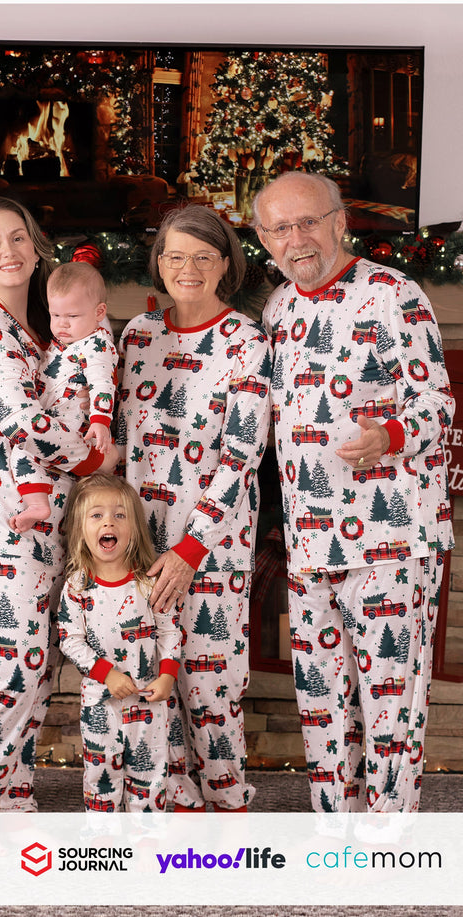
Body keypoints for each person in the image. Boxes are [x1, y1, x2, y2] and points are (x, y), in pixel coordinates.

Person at [253, 170, 454, 812]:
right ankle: (331, 831)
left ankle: (389, 838)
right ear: (263, 239)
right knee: (321, 701)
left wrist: (390, 436)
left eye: (309, 221)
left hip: (392, 539)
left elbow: (439, 406)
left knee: (391, 699)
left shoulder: (397, 294)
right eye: (281, 228)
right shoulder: (277, 308)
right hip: (311, 543)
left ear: (341, 221)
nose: (297, 239)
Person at [0, 197, 112, 812]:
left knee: (32, 665)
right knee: (17, 664)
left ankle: (11, 796)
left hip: (25, 524)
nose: (8, 251)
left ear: (36, 247)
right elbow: (26, 424)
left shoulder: (34, 332)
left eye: (18, 238)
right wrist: (98, 462)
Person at [116, 204, 272, 811]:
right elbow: (121, 442)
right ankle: (172, 805)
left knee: (211, 682)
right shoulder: (138, 335)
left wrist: (191, 548)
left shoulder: (246, 342)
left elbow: (241, 456)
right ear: (158, 262)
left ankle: (227, 806)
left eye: (204, 256)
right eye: (175, 255)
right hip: (138, 543)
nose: (188, 268)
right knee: (154, 677)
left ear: (226, 264)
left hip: (210, 547)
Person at [57, 475, 182, 811]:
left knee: (150, 773)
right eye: (96, 515)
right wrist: (107, 674)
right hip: (101, 702)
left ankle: (146, 844)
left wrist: (168, 675)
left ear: (133, 529)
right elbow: (70, 639)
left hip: (149, 701)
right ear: (81, 528)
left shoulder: (148, 582)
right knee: (101, 776)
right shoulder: (77, 586)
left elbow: (170, 631)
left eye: (119, 515)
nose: (108, 521)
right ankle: (104, 843)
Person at [11, 260, 118, 533]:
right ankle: (38, 504)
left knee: (27, 449)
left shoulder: (97, 344)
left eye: (72, 316)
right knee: (23, 453)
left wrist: (100, 420)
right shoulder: (63, 343)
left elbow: (103, 383)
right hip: (51, 418)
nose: (62, 324)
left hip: (74, 423)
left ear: (99, 312)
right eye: (55, 315)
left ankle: (40, 506)